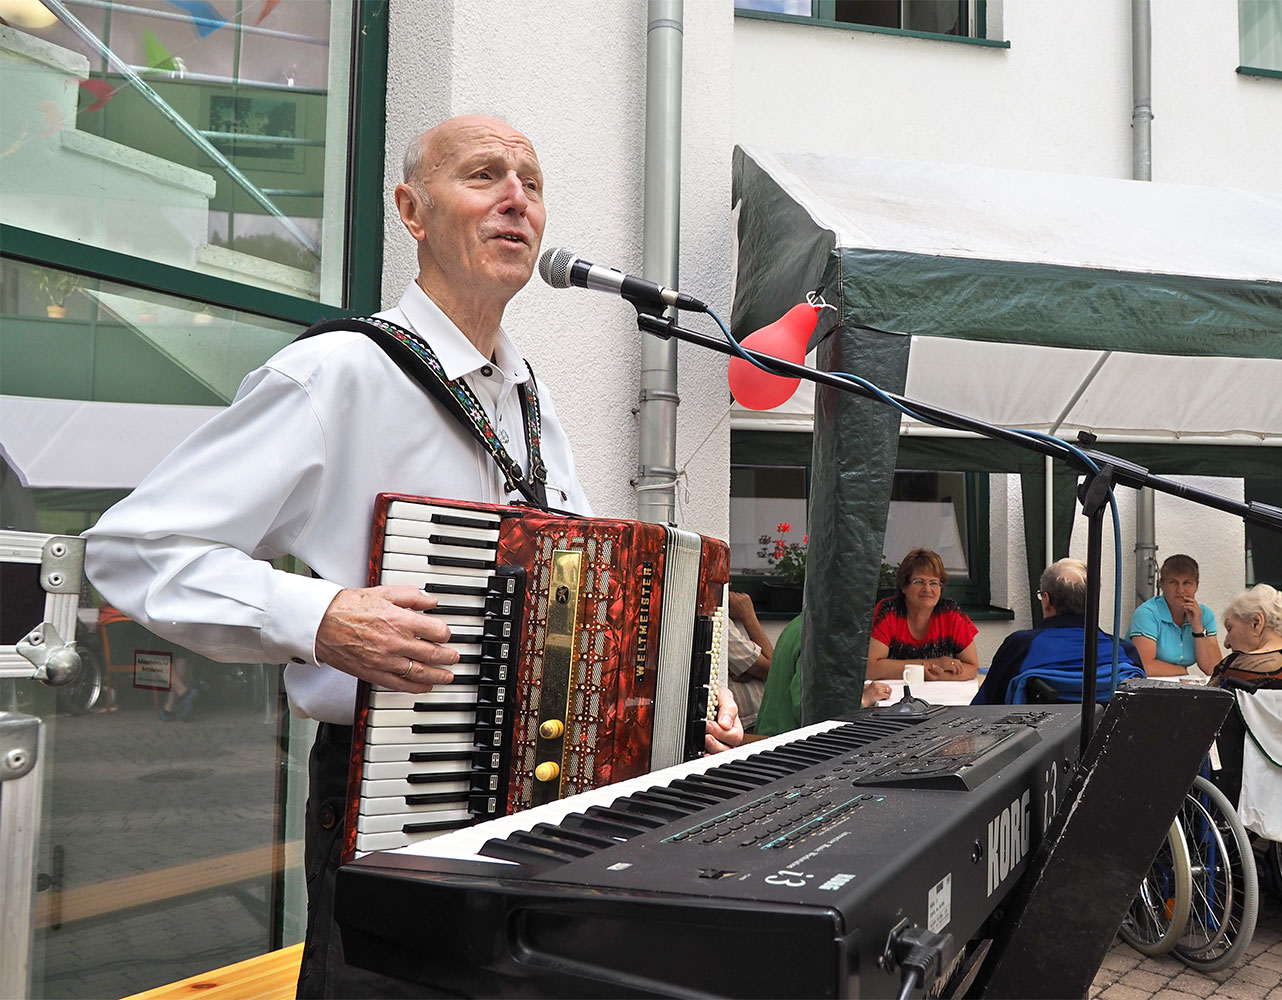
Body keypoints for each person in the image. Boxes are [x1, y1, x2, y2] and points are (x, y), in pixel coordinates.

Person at [81, 114, 742, 997]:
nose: (517, 198)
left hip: (540, 807)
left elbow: (598, 603)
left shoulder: (532, 407)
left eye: (532, 183)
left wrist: (686, 688)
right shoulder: (336, 375)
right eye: (483, 176)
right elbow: (131, 549)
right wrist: (320, 617)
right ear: (411, 210)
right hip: (390, 796)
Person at [973, 558, 1144, 705]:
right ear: (1093, 602)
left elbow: (984, 709)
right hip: (1106, 743)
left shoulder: (1020, 647)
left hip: (1039, 743)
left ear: (1046, 600)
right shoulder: (1123, 651)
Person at [755, 614, 891, 738]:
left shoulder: (804, 621)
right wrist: (863, 701)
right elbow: (811, 710)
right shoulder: (824, 634)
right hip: (784, 743)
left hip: (773, 732)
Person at [867, 548, 979, 682]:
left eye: (934, 583)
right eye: (919, 582)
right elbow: (871, 668)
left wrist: (936, 675)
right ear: (904, 586)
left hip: (941, 694)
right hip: (893, 695)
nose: (927, 589)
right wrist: (932, 665)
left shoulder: (950, 612)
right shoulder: (889, 611)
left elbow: (972, 667)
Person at [1207, 584, 1282, 690]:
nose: (1226, 643)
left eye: (1230, 628)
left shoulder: (1233, 666)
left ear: (1256, 623)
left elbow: (1205, 708)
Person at [1129, 553, 1221, 676]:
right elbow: (1144, 666)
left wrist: (1198, 628)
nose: (1180, 590)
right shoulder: (1147, 613)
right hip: (1143, 686)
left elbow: (1213, 670)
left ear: (1196, 585)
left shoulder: (1205, 615)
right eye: (1173, 582)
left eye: (1187, 583)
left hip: (1178, 687)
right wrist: (1181, 671)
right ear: (1162, 584)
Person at [724, 591, 774, 730]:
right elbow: (771, 669)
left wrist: (749, 669)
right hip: (747, 724)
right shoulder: (716, 620)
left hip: (752, 720)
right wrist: (748, 615)